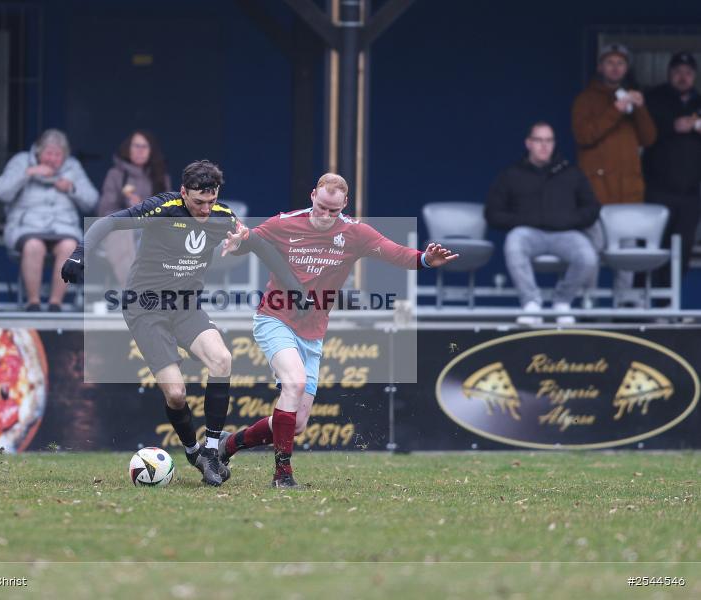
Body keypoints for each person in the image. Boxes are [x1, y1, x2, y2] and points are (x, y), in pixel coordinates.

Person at [61, 160, 302, 486]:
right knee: (176, 393)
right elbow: (109, 223)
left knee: (222, 359)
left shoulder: (222, 217)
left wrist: (295, 289)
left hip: (186, 306)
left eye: (211, 201)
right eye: (199, 202)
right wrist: (79, 253)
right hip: (145, 307)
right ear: (184, 192)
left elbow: (260, 245)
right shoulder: (162, 208)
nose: (205, 209)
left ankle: (212, 451)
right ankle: (193, 451)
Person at [218, 173, 458, 488]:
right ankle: (283, 475)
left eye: (334, 210)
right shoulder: (285, 223)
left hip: (313, 332)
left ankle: (229, 445)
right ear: (312, 196)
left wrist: (424, 259)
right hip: (274, 318)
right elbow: (251, 240)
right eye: (321, 207)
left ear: (345, 204)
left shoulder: (355, 232)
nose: (326, 216)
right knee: (294, 383)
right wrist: (237, 243)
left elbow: (394, 252)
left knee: (297, 424)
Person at [485, 122, 601, 325]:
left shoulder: (571, 172)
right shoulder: (512, 174)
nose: (544, 145)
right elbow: (492, 213)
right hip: (529, 234)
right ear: (528, 143)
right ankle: (531, 304)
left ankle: (562, 302)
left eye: (549, 140)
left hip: (565, 234)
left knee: (588, 256)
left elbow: (592, 208)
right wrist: (524, 220)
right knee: (514, 241)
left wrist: (568, 220)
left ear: (554, 143)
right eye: (538, 140)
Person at [572, 43, 657, 302]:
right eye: (610, 62)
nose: (615, 67)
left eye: (620, 63)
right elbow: (584, 136)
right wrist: (616, 110)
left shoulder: (633, 97)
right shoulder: (586, 99)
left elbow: (649, 139)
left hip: (628, 193)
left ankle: (624, 307)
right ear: (600, 67)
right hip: (597, 192)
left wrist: (640, 108)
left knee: (627, 254)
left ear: (626, 68)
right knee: (592, 251)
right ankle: (589, 305)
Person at [0, 129, 99, 312]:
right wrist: (27, 173)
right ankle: (33, 303)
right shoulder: (22, 161)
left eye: (58, 155)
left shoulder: (72, 167)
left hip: (64, 228)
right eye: (49, 153)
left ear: (64, 156)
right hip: (27, 227)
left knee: (70, 247)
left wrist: (72, 189)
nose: (52, 159)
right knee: (34, 245)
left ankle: (55, 304)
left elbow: (92, 201)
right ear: (38, 152)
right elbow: (0, 191)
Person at [643, 51, 701, 289]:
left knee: (683, 249)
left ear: (694, 76)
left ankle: (669, 302)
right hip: (658, 189)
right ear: (669, 73)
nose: (682, 77)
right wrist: (672, 126)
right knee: (653, 247)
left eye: (687, 73)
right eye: (677, 72)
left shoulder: (698, 101)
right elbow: (643, 133)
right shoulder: (654, 99)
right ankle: (647, 302)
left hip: (690, 192)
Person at [97, 130, 171, 286]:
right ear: (128, 149)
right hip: (121, 229)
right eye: (136, 146)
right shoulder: (115, 175)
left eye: (145, 147)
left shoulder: (160, 176)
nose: (140, 150)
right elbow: (105, 211)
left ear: (151, 151)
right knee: (123, 236)